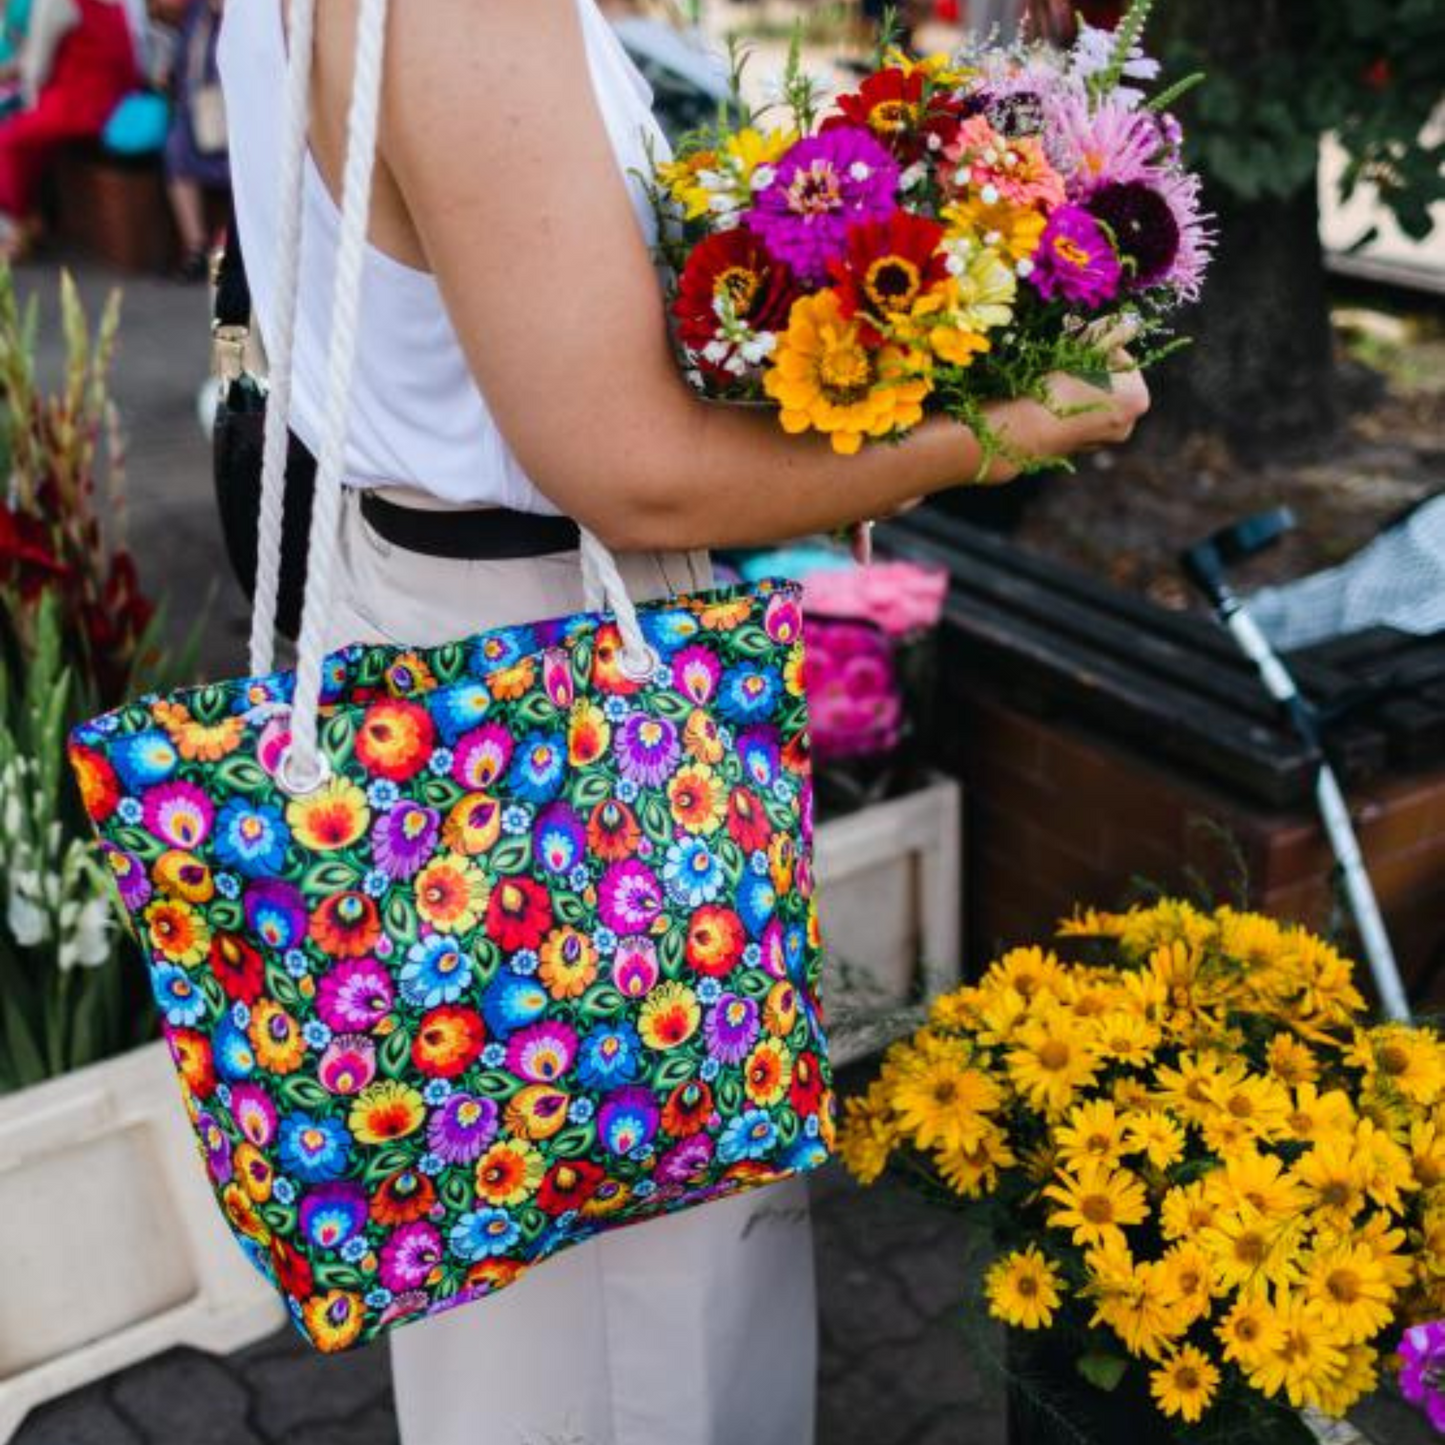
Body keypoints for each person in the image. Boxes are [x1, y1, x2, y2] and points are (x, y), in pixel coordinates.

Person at [216, 4, 1147, 1443]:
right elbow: (632, 474)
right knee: (641, 1309)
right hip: (551, 684)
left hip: (453, 631)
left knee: (531, 1262)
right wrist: (1012, 425)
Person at [0, 0, 142, 259]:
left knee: (9, 139)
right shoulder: (116, 6)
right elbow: (131, 62)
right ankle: (32, 220)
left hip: (74, 105)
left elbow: (36, 69)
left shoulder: (56, 3)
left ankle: (16, 227)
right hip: (114, 101)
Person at [161, 0, 225, 280]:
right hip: (202, 114)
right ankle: (196, 248)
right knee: (177, 145)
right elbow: (184, 59)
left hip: (241, 112)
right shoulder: (197, 12)